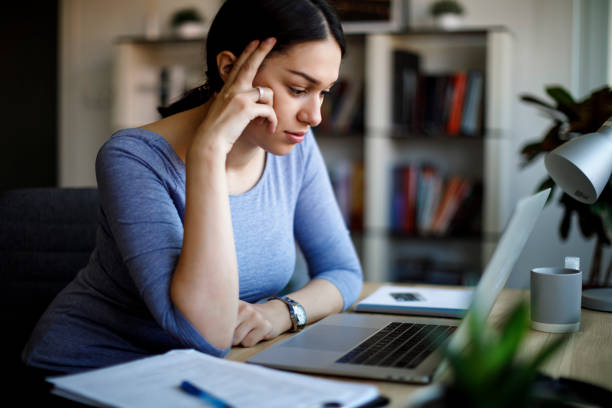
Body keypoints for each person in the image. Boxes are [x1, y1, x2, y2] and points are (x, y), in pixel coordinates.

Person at [22, 0, 362, 375]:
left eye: (324, 93)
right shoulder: (132, 158)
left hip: (211, 369)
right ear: (231, 69)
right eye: (299, 88)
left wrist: (280, 312)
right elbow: (207, 335)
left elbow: (343, 272)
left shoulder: (294, 147)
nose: (314, 116)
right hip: (96, 369)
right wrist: (208, 152)